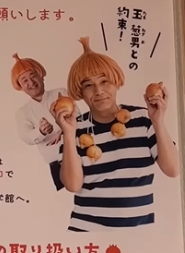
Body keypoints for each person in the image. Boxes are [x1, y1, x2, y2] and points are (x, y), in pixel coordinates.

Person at [51, 37, 179, 232]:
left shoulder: (144, 119)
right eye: (88, 85)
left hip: (139, 231)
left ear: (117, 82)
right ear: (80, 92)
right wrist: (69, 134)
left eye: (105, 81)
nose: (99, 90)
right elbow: (72, 185)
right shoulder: (73, 127)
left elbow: (173, 170)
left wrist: (158, 121)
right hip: (87, 232)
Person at [11, 53, 81, 166]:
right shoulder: (23, 112)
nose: (31, 82)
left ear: (40, 75)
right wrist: (41, 131)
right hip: (56, 164)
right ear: (21, 87)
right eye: (24, 80)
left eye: (33, 76)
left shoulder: (61, 93)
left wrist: (64, 130)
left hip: (80, 153)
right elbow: (26, 136)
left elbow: (78, 117)